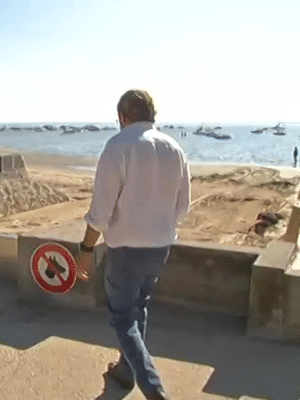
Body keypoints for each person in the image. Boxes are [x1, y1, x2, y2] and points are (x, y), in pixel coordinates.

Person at [75, 89, 190, 400]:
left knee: (122, 317)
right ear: (152, 116)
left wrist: (85, 251)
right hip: (160, 247)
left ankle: (154, 390)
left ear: (122, 117)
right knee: (139, 307)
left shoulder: (117, 146)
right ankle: (126, 371)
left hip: (126, 250)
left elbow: (100, 212)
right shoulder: (174, 148)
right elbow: (183, 207)